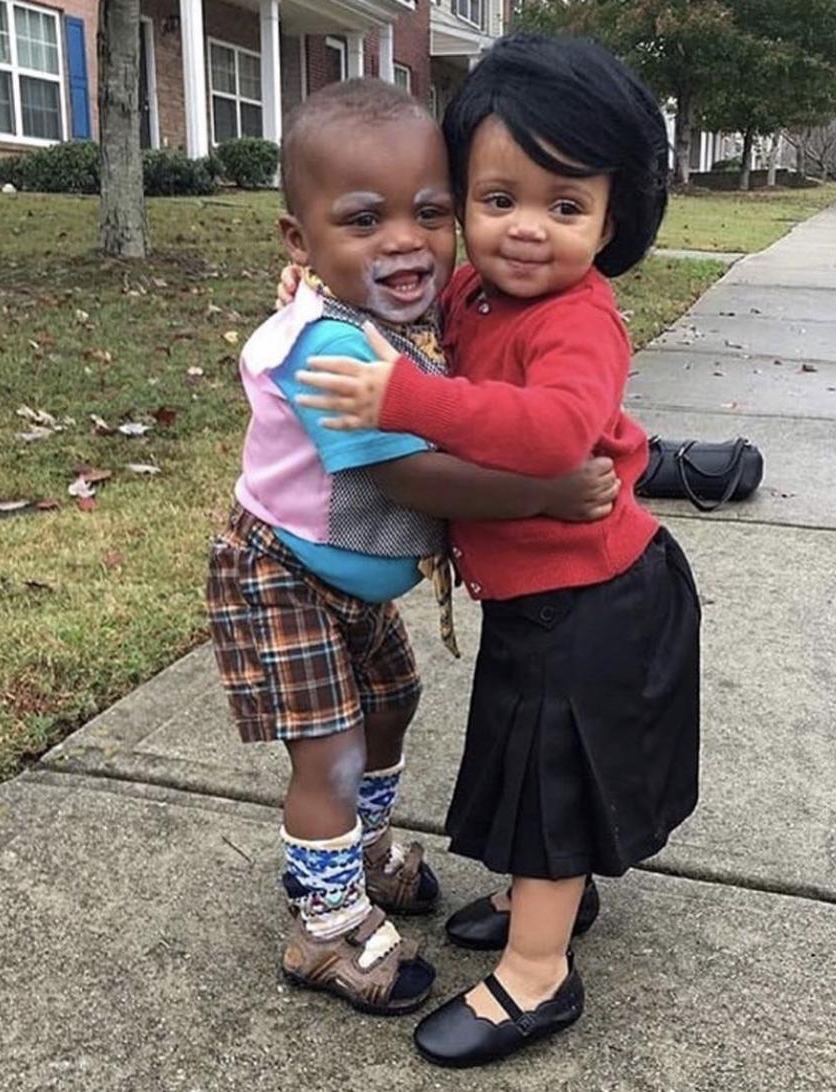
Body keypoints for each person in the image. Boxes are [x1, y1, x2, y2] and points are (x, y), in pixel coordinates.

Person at [295, 35, 701, 1065]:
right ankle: (546, 898)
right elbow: (399, 303)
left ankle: (537, 975)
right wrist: (317, 282)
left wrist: (407, 400)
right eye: (497, 198)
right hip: (540, 594)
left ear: (613, 219)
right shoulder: (477, 295)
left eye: (565, 206)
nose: (526, 228)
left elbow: (559, 431)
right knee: (530, 769)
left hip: (596, 599)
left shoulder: (578, 322)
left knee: (550, 781)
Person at [205, 77, 620, 1021]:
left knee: (392, 703)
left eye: (430, 213)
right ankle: (323, 926)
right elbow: (409, 477)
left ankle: (363, 851)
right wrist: (546, 494)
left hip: (349, 588)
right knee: (331, 752)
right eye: (364, 220)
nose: (405, 240)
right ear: (299, 241)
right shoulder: (328, 352)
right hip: (280, 576)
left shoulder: (405, 309)